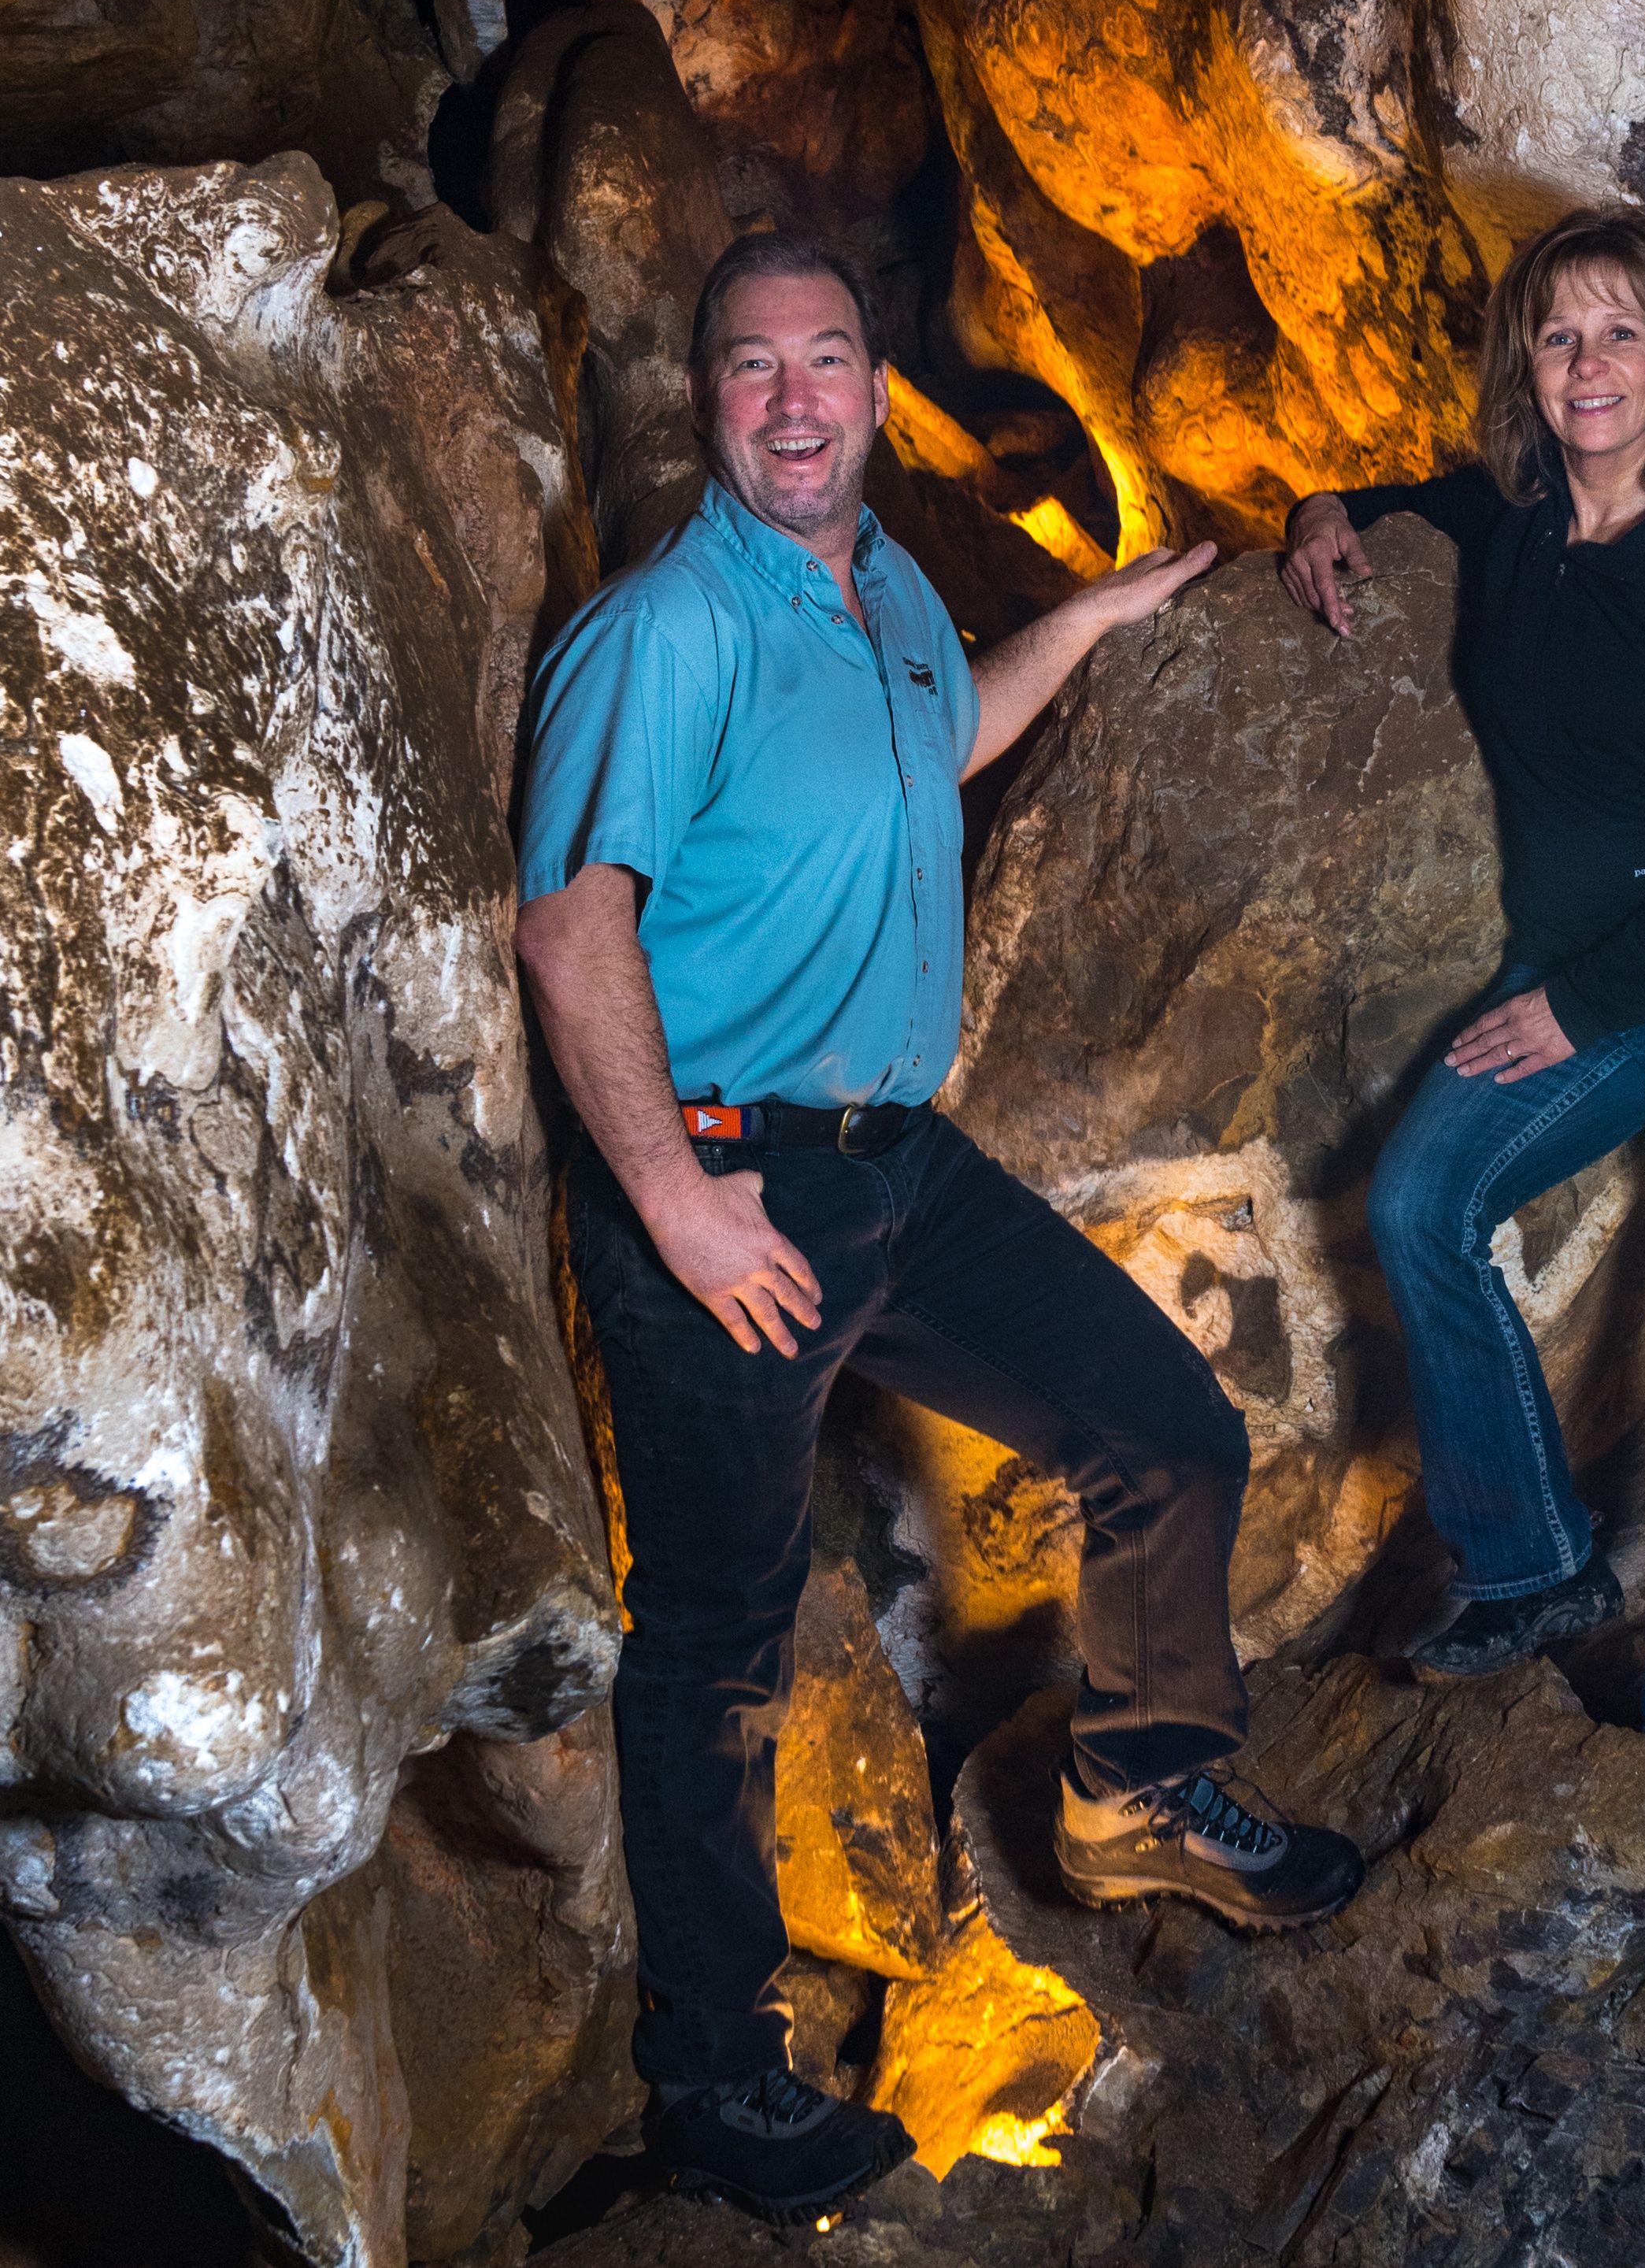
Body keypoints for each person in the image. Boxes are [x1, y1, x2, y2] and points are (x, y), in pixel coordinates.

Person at [514, 232, 1364, 2228]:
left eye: (827, 363)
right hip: (728, 1182)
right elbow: (572, 927)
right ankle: (714, 2080)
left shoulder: (881, 585)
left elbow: (929, 748)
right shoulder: (666, 632)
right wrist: (676, 1203)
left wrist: (1089, 621)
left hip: (891, 1162)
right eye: (754, 370)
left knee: (1165, 1429)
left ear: (874, 385)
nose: (796, 402)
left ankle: (1141, 1781)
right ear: (710, 400)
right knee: (714, 1648)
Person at [1281, 204, 1645, 1766]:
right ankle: (1529, 1560)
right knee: (1414, 1203)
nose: (1586, 362)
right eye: (1556, 334)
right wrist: (1328, 506)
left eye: (1617, 332)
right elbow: (1415, 499)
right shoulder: (1512, 527)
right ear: (1523, 367)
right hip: (1577, 971)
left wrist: (1595, 1001)